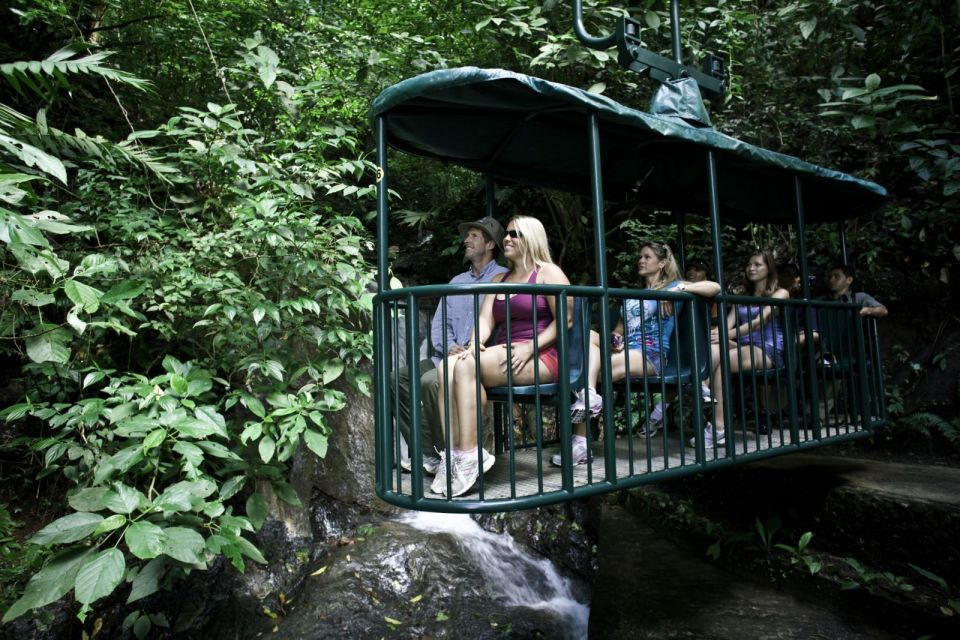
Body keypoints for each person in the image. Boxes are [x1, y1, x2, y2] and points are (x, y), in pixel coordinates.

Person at [433, 215, 572, 497]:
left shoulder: (548, 273)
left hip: (540, 355)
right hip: (506, 354)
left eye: (514, 234)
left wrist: (531, 346)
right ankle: (455, 455)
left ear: (531, 238)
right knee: (447, 367)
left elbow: (565, 320)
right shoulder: (500, 279)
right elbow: (485, 321)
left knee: (464, 366)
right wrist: (474, 344)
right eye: (506, 233)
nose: (506, 238)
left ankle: (471, 454)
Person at [553, 243, 720, 466]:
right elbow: (618, 331)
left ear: (661, 263)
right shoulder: (631, 295)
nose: (641, 260)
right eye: (640, 257)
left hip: (651, 354)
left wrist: (680, 290)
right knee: (587, 340)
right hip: (626, 351)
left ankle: (581, 440)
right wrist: (615, 339)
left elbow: (714, 287)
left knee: (585, 369)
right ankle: (589, 401)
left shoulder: (674, 287)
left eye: (647, 257)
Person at [394, 216, 507, 475]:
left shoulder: (502, 278)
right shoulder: (456, 281)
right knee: (395, 379)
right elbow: (439, 322)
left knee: (431, 382)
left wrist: (469, 348)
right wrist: (449, 345)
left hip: (477, 359)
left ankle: (454, 456)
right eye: (467, 236)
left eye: (474, 236)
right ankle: (429, 452)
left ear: (490, 244)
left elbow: (500, 326)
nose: (466, 240)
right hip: (447, 354)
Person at [695, 250, 789, 448]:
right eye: (749, 264)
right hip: (744, 346)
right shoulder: (743, 296)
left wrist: (725, 335)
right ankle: (703, 386)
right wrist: (716, 332)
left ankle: (716, 421)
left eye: (757, 264)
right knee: (715, 346)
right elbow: (727, 325)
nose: (751, 268)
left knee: (722, 361)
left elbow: (758, 322)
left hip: (767, 348)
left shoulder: (781, 293)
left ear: (769, 268)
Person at [777, 263, 819, 347]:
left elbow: (813, 335)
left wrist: (782, 344)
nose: (797, 280)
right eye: (789, 275)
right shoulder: (772, 300)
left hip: (793, 352)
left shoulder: (803, 302)